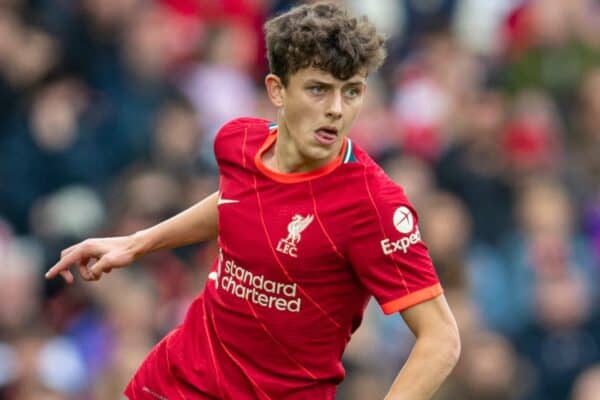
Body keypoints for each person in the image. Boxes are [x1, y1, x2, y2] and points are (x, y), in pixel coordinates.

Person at [46, 3, 461, 399]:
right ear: (277, 90)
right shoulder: (238, 141)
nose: (336, 109)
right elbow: (236, 203)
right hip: (177, 382)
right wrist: (136, 243)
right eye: (318, 89)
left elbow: (440, 339)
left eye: (351, 92)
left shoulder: (374, 206)